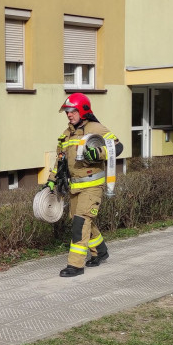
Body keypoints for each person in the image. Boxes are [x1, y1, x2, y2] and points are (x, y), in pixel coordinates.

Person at [42, 93, 122, 277]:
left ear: (83, 110)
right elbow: (60, 162)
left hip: (92, 187)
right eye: (67, 111)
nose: (69, 114)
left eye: (72, 111)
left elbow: (117, 146)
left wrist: (98, 153)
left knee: (81, 223)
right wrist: (51, 181)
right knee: (84, 221)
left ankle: (75, 265)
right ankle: (100, 252)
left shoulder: (96, 128)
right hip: (75, 186)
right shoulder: (66, 134)